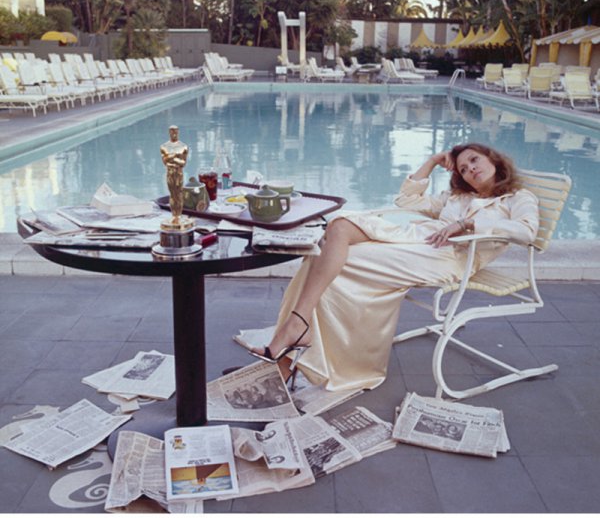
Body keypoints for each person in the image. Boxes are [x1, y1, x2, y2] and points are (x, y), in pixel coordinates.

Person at [250, 143, 539, 391]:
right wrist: (433, 161)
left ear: (492, 159)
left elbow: (526, 232)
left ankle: (287, 353)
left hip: (449, 258)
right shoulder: (457, 197)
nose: (470, 169)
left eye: (474, 160)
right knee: (338, 229)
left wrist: (467, 223)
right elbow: (407, 200)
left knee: (329, 260)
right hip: (418, 241)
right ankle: (297, 329)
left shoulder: (517, 198)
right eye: (462, 168)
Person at [160, 125, 188, 225]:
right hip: (170, 172)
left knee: (179, 194)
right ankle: (174, 216)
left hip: (179, 173)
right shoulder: (164, 146)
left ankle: (179, 216)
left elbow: (183, 163)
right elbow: (165, 162)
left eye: (175, 131)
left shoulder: (183, 146)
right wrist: (175, 158)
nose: (174, 133)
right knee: (172, 194)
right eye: (172, 131)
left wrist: (172, 158)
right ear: (169, 132)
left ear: (178, 132)